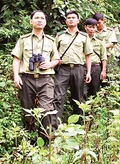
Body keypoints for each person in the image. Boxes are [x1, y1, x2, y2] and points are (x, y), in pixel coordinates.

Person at [11, 10, 60, 141]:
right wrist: (16, 76)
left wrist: (50, 64)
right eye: (36, 18)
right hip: (27, 79)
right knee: (27, 110)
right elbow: (16, 59)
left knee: (46, 110)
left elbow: (57, 59)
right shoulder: (23, 40)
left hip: (46, 80)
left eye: (42, 18)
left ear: (45, 22)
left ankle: (46, 141)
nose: (39, 20)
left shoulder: (51, 40)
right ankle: (29, 140)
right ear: (31, 21)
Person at [53, 10, 92, 128]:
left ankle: (79, 126)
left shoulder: (84, 37)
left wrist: (88, 72)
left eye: (73, 18)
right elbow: (53, 52)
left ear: (78, 21)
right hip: (63, 69)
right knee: (58, 97)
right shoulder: (60, 36)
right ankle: (55, 126)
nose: (71, 19)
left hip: (78, 69)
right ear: (65, 21)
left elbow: (88, 55)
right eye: (68, 18)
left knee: (79, 97)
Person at [83, 18, 107, 98]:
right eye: (89, 27)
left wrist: (103, 70)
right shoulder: (80, 39)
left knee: (95, 90)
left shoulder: (100, 40)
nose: (91, 29)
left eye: (94, 27)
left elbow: (103, 56)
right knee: (82, 90)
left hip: (95, 66)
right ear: (85, 27)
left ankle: (93, 109)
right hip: (82, 66)